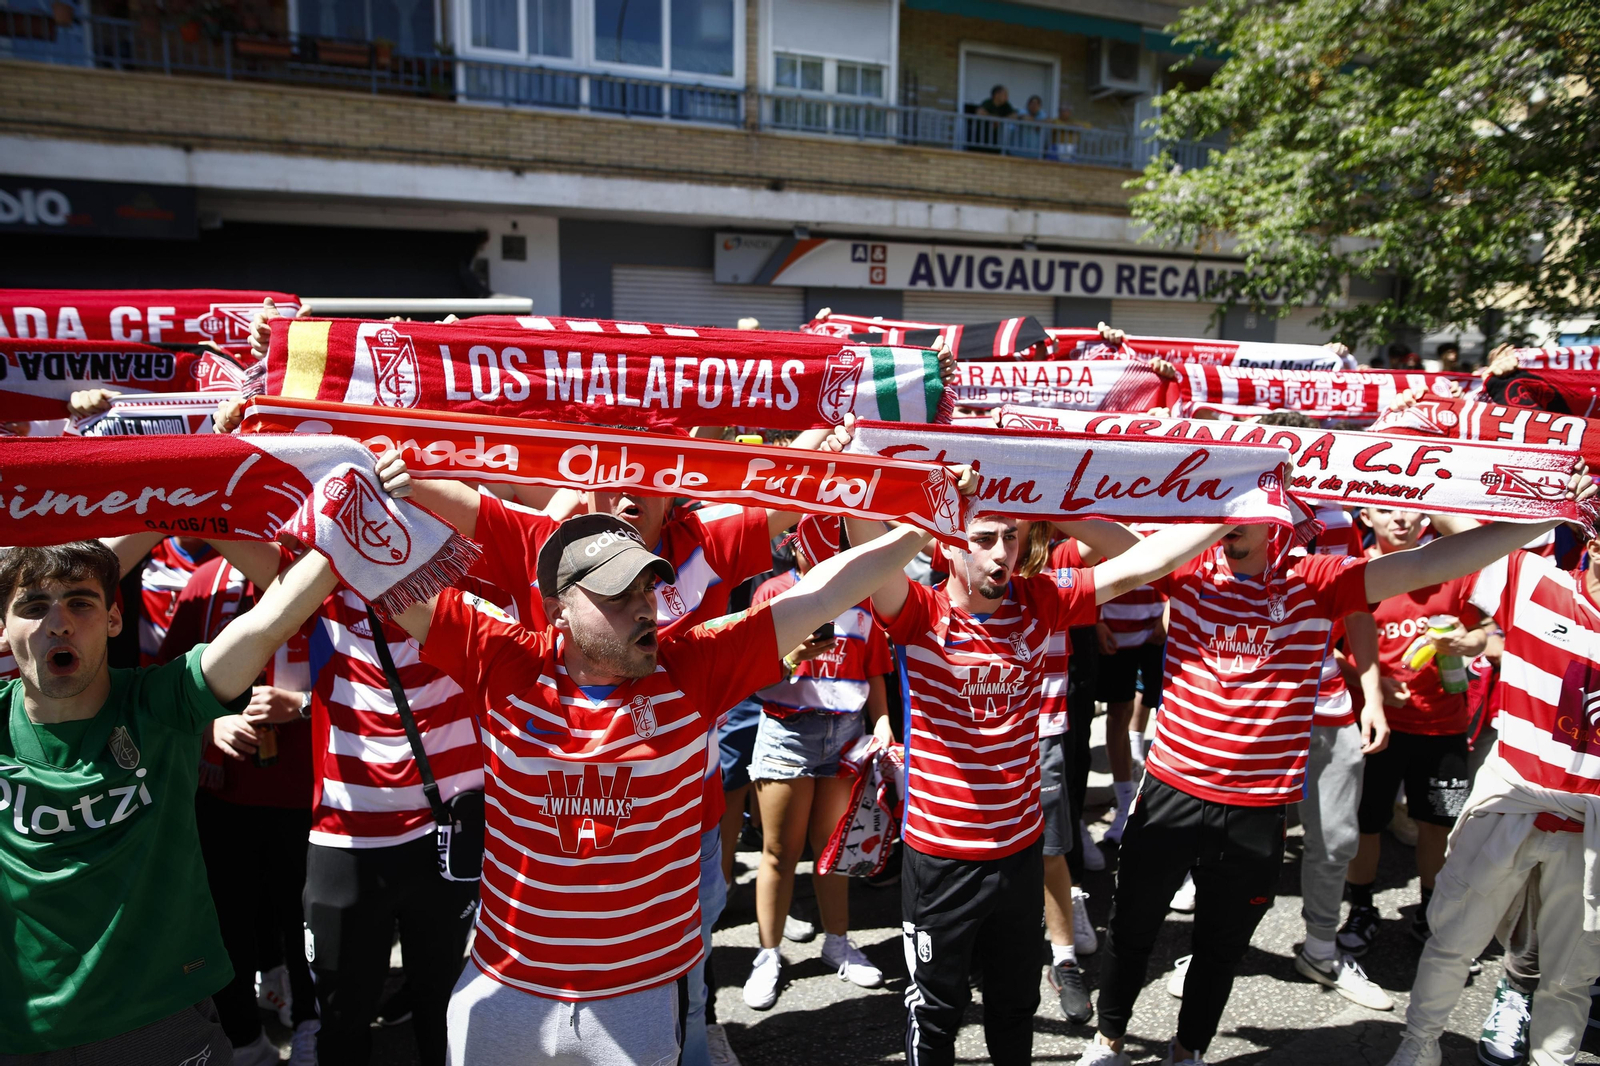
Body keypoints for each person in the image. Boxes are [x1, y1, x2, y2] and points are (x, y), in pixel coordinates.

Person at [379, 502, 961, 1065]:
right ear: (557, 609)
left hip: (639, 998)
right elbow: (384, 573)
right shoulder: (502, 660)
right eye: (618, 595)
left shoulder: (693, 667)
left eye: (647, 589)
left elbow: (825, 592)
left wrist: (927, 523)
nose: (644, 609)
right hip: (505, 990)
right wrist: (349, 475)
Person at [1079, 471, 1592, 1066]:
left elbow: (1432, 563)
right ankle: (1107, 1042)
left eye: (1243, 510)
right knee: (1132, 929)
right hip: (1172, 789)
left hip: (1259, 807)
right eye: (1222, 508)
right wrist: (1007, 469)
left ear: (1280, 520)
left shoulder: (1319, 579)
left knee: (1220, 948)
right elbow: (1091, 528)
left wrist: (1551, 512)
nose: (1228, 522)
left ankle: (1187, 1051)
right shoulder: (1184, 565)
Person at [845, 504, 1240, 1066]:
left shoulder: (1041, 598)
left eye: (1010, 537)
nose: (1001, 554)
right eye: (983, 538)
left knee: (1015, 1007)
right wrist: (911, 504)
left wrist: (1240, 510)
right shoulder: (920, 610)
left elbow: (1144, 563)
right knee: (936, 1014)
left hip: (1020, 851)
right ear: (947, 544)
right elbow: (867, 550)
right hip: (942, 858)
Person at [0, 539, 338, 1063]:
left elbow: (270, 621)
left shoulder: (162, 703)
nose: (59, 623)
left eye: (81, 603)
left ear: (114, 618)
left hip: (162, 1020)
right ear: (3, 628)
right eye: (33, 606)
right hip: (21, 1030)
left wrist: (354, 519)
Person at [1385, 518, 1600, 1066]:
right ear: (1594, 544)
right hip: (1512, 803)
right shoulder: (1532, 581)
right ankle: (1418, 1047)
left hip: (1592, 827)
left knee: (1571, 976)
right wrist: (1553, 503)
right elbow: (1456, 516)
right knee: (1452, 941)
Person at [743, 516, 893, 1010]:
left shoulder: (864, 597)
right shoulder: (771, 593)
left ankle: (838, 943)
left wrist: (883, 722)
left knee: (834, 850)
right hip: (786, 732)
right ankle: (768, 954)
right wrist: (790, 653)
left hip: (846, 735)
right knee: (779, 852)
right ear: (794, 545)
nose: (826, 549)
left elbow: (875, 669)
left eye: (835, 540)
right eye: (813, 539)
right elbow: (749, 671)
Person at [1340, 507, 1491, 955]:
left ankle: (1430, 912)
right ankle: (1361, 910)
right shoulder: (1353, 572)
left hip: (1443, 726)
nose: (1399, 520)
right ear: (1366, 516)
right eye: (1386, 510)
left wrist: (1467, 641)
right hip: (1376, 727)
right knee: (1366, 823)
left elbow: (1487, 631)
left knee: (1438, 824)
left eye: (1408, 510)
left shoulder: (1453, 567)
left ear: (1426, 517)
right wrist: (1372, 685)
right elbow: (1327, 648)